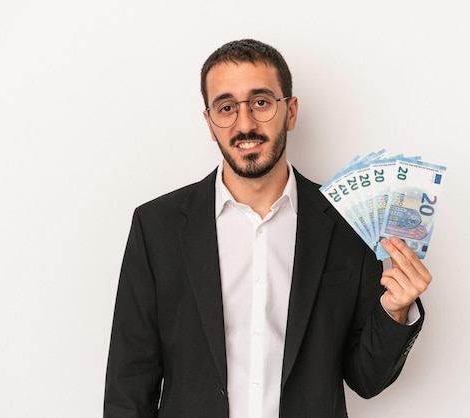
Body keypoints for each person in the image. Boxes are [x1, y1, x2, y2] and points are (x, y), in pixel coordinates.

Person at [104, 38, 432, 418]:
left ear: (290, 112)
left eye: (261, 102)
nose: (245, 124)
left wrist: (394, 312)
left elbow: (365, 379)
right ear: (210, 123)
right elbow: (130, 382)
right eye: (226, 108)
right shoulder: (156, 227)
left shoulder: (347, 224)